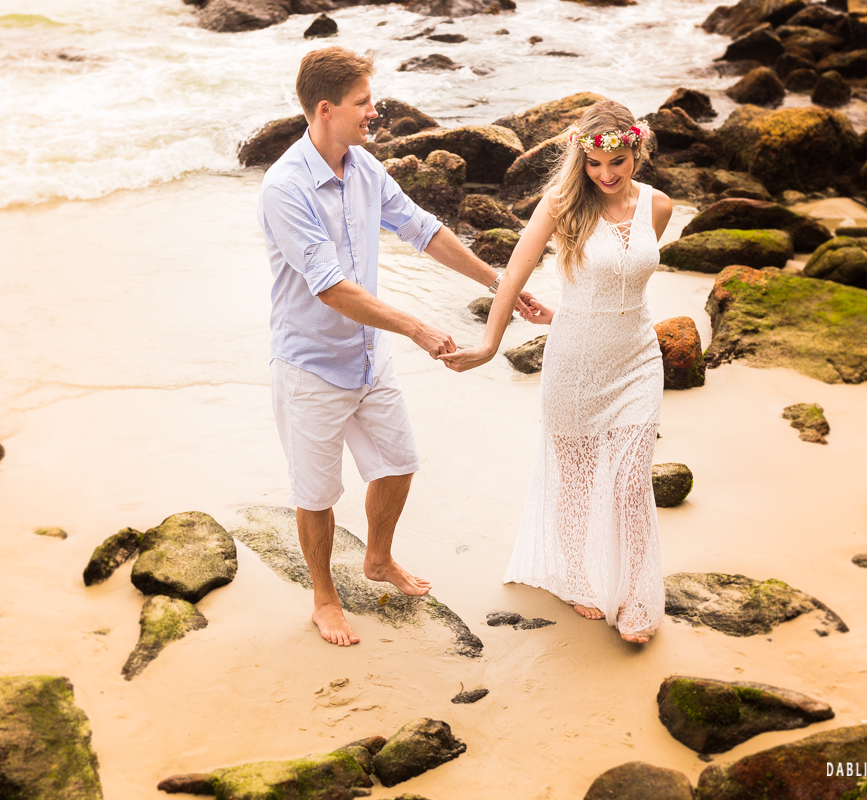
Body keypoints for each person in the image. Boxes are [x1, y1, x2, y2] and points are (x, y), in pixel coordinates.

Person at [258, 46, 535, 647]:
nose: (374, 112)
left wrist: (500, 282)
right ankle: (324, 598)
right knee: (316, 494)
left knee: (399, 462)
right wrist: (415, 326)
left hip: (367, 359)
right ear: (326, 110)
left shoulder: (363, 168)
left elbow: (423, 229)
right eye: (363, 103)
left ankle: (378, 559)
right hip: (310, 365)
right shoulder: (285, 187)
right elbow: (329, 287)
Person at [441, 100, 672, 644]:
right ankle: (574, 577)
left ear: (636, 149)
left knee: (632, 481)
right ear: (580, 158)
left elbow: (625, 278)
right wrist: (489, 344)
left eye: (617, 160)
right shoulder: (562, 204)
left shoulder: (658, 207)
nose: (606, 174)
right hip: (574, 362)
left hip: (637, 358)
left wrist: (573, 306)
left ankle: (637, 598)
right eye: (594, 163)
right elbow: (511, 277)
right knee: (576, 481)